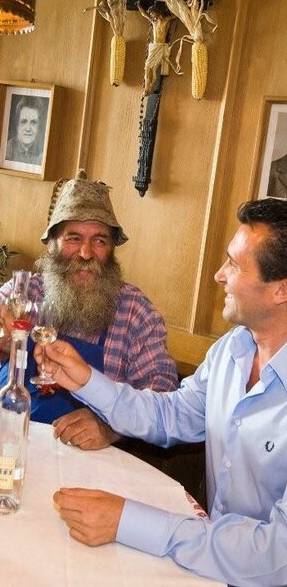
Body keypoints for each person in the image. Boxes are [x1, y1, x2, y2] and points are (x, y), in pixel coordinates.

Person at [36, 197, 287, 587]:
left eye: (234, 264)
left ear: (281, 290)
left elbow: (276, 555)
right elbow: (172, 415)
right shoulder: (232, 349)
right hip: (208, 560)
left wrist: (127, 521)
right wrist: (85, 380)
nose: (219, 275)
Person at [0, 170, 178, 450]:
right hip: (4, 442)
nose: (86, 253)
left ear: (111, 250)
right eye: (73, 238)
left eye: (99, 240)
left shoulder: (134, 311)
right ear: (52, 245)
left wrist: (109, 425)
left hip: (85, 461)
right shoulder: (27, 291)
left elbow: (164, 392)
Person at [5, 96, 44, 165]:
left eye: (33, 122)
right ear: (17, 123)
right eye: (23, 122)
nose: (28, 128)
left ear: (39, 125)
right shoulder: (6, 150)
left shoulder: (44, 152)